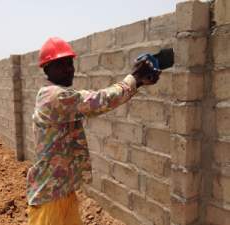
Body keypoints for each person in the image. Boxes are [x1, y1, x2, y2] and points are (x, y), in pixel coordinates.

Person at [26, 37, 161, 225]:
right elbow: (99, 101)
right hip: (49, 198)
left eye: (70, 63)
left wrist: (137, 83)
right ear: (47, 69)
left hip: (62, 190)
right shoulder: (53, 97)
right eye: (61, 64)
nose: (69, 69)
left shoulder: (62, 94)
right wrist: (133, 78)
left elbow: (94, 98)